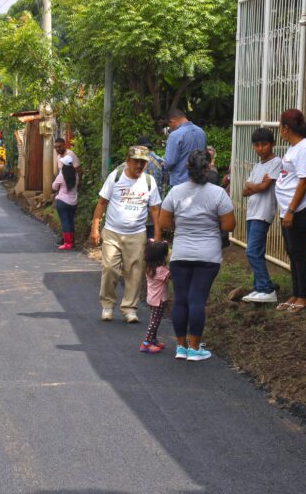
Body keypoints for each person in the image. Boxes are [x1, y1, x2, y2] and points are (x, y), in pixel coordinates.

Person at [156, 149, 236, 361]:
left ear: (187, 167)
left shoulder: (176, 192)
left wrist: (182, 226)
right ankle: (194, 348)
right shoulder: (218, 193)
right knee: (197, 300)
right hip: (208, 256)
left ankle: (181, 347)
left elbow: (164, 222)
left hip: (181, 254)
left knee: (181, 299)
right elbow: (229, 225)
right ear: (209, 166)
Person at [90, 145, 163, 323]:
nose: (139, 165)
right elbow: (102, 203)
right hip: (112, 232)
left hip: (137, 234)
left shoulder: (149, 182)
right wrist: (95, 227)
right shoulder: (115, 177)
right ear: (128, 161)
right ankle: (107, 305)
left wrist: (158, 235)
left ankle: (130, 308)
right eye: (136, 162)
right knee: (109, 268)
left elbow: (155, 209)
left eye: (143, 162)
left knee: (135, 272)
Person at [273, 109, 306, 313]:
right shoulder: (294, 147)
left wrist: (291, 210)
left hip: (301, 207)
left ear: (286, 128)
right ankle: (296, 293)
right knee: (291, 251)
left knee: (298, 251)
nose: (279, 131)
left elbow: (304, 181)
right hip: (289, 208)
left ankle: (304, 296)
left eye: (280, 127)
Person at [240, 127, 282, 303]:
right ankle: (259, 288)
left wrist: (252, 185)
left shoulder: (276, 162)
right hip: (252, 212)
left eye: (264, 144)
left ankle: (266, 289)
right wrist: (255, 185)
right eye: (257, 145)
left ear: (272, 144)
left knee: (252, 252)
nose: (260, 148)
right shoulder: (258, 166)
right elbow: (244, 191)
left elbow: (263, 188)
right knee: (256, 251)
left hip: (263, 212)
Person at [140, 240, 171, 354]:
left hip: (152, 298)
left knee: (154, 320)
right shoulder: (161, 270)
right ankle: (146, 344)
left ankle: (153, 340)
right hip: (159, 300)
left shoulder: (150, 268)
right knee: (154, 322)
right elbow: (171, 276)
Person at [163, 109, 207, 187]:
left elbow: (169, 162)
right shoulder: (201, 132)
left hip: (180, 182)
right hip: (199, 182)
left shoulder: (175, 135)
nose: (170, 128)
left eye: (169, 125)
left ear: (172, 121)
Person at [52, 155, 79, 250]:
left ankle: (67, 243)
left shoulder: (61, 175)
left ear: (64, 165)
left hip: (62, 202)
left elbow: (54, 187)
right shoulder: (76, 175)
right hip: (73, 202)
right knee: (70, 221)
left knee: (65, 222)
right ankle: (72, 242)